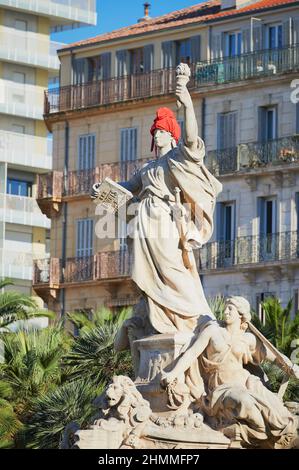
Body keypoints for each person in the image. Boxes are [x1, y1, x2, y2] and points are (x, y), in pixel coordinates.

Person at [112, 64, 222, 335]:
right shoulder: (148, 167)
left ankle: (192, 312)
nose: (156, 135)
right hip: (143, 221)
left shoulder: (177, 158)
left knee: (172, 268)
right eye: (154, 132)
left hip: (164, 218)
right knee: (150, 273)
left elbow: (192, 139)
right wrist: (103, 190)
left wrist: (187, 104)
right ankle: (159, 314)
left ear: (171, 134)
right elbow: (129, 186)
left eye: (160, 131)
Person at [161, 296, 299, 447]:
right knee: (243, 401)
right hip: (222, 386)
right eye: (225, 308)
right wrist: (173, 373)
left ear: (241, 315)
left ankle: (271, 436)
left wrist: (291, 367)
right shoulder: (213, 331)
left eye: (230, 308)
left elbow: (274, 356)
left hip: (247, 382)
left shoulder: (248, 339)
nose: (225, 311)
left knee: (277, 413)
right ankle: (257, 434)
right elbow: (192, 353)